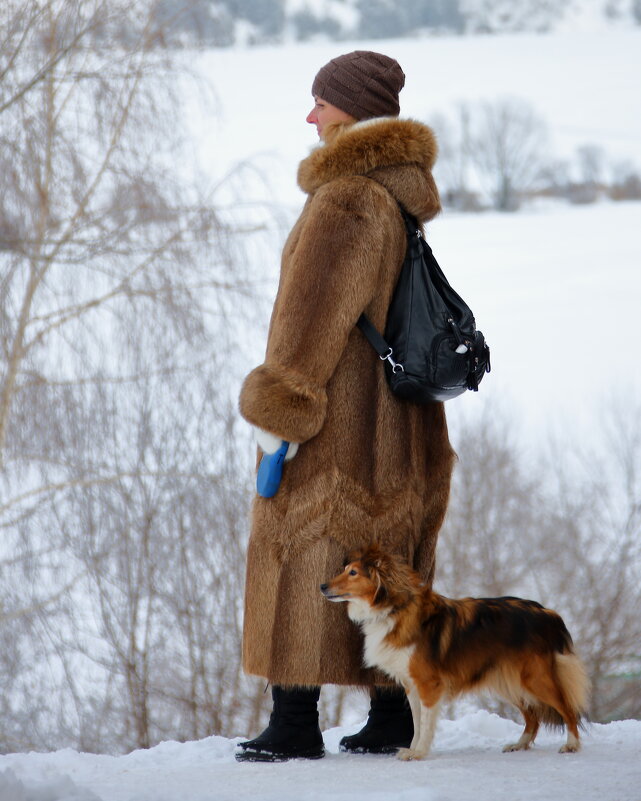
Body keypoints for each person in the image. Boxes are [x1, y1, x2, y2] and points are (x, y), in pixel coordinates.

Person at [236, 50, 455, 762]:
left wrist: (283, 406)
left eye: (321, 104)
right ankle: (391, 715)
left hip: (337, 413)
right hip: (399, 418)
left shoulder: (347, 197)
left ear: (352, 111)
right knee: (384, 556)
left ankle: (294, 722)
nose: (310, 117)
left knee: (298, 544)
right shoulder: (395, 192)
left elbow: (314, 314)